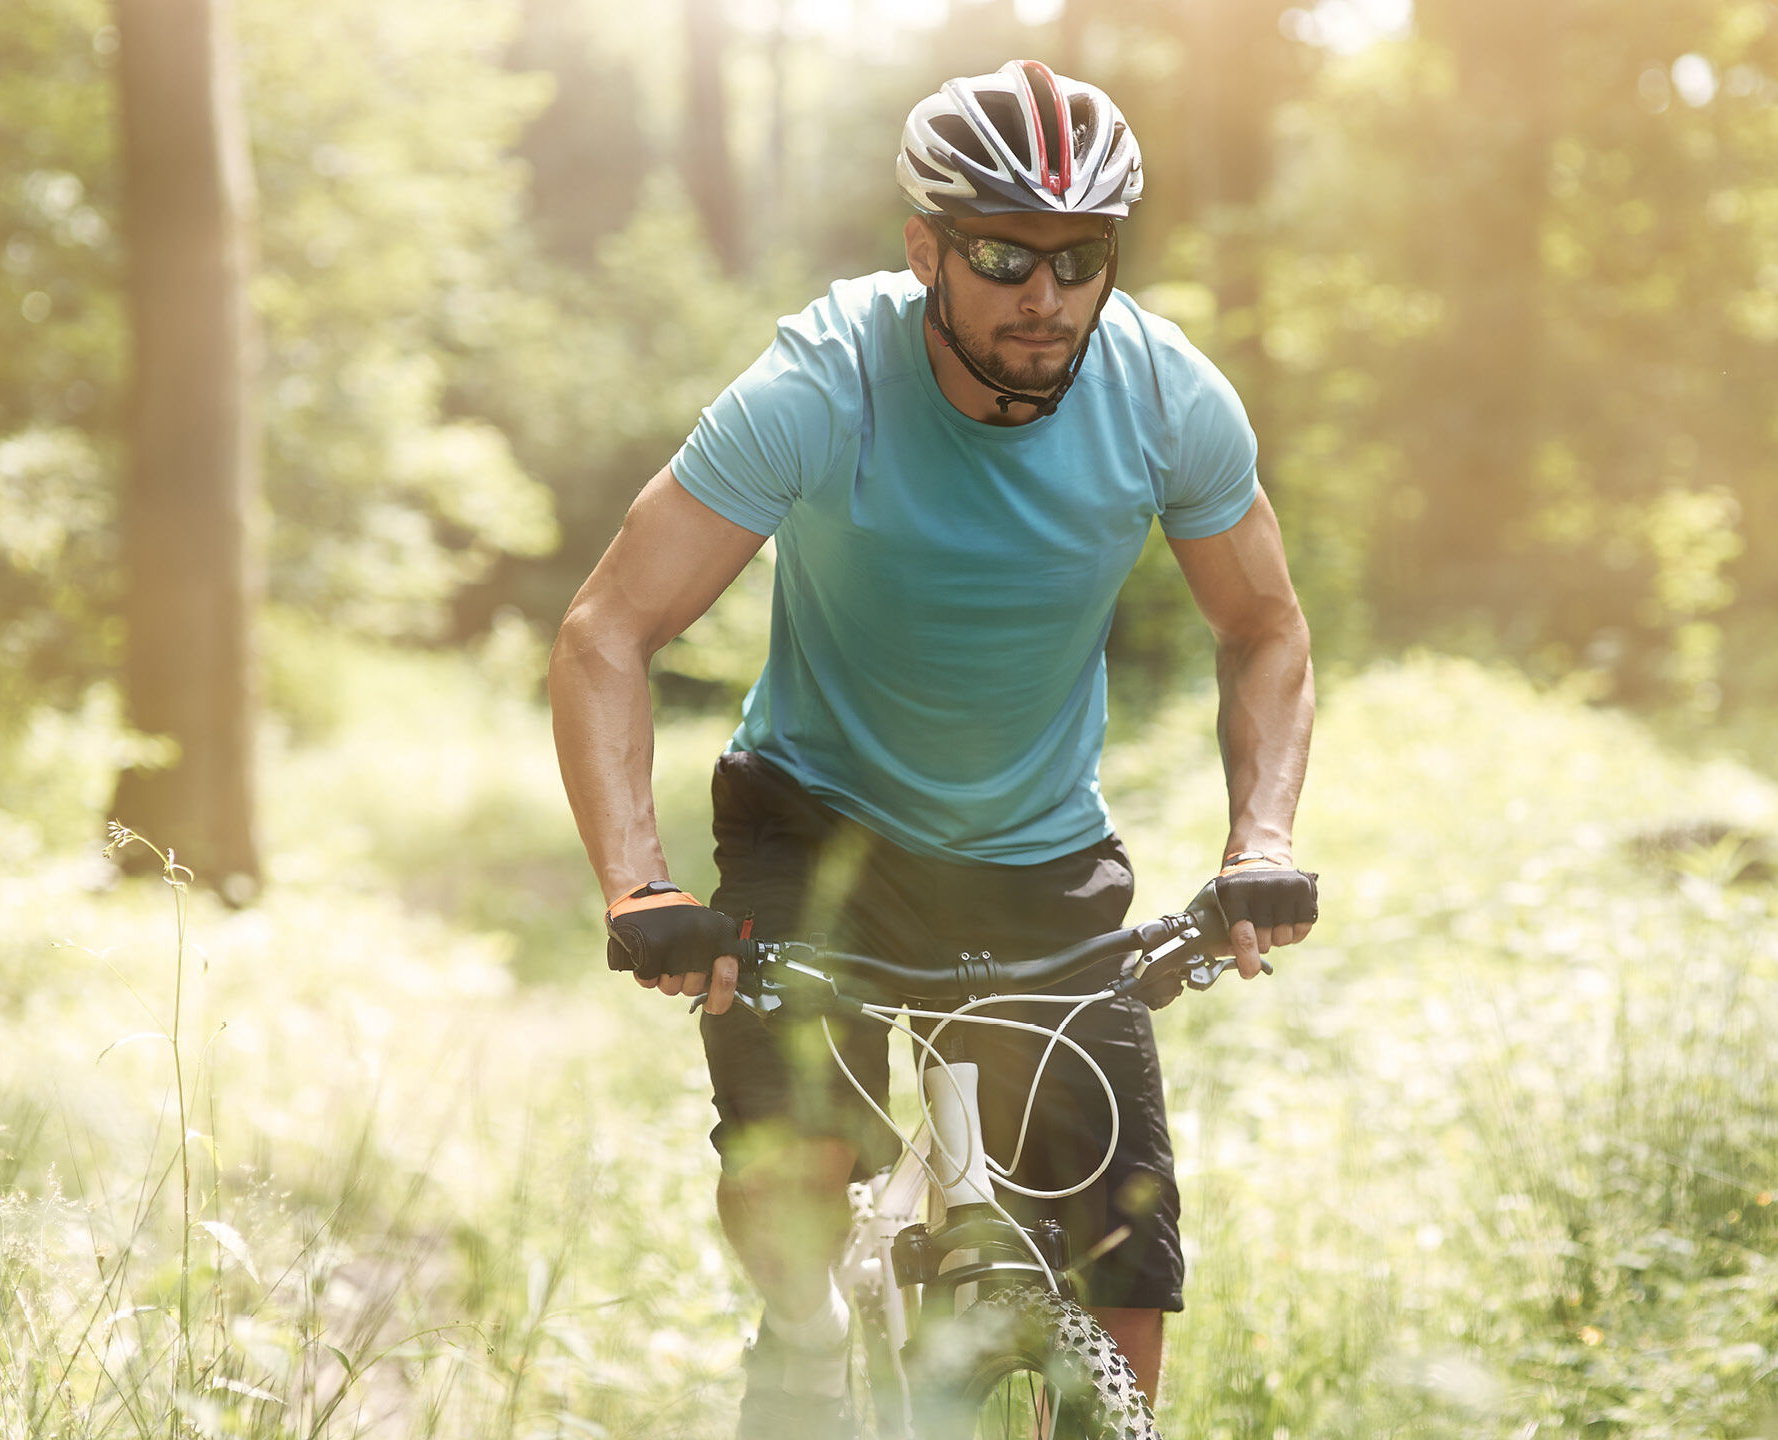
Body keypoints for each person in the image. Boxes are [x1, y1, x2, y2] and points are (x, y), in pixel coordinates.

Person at [549, 59, 1319, 1435]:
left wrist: (1260, 842)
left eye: (1079, 257)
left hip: (1035, 850)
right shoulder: (821, 384)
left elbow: (1264, 627)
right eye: (1004, 253)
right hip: (811, 821)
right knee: (798, 1163)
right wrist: (639, 886)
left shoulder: (1165, 397)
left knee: (1121, 1246)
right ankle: (800, 1337)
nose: (1047, 292)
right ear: (926, 251)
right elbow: (608, 629)